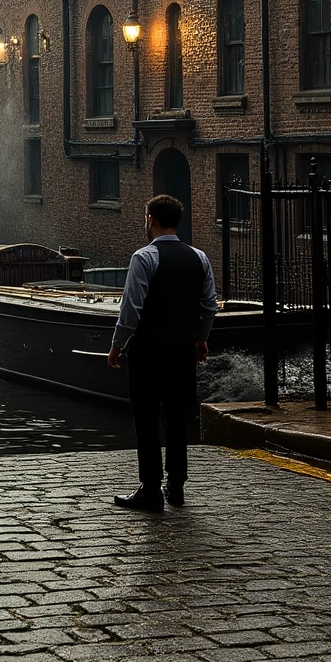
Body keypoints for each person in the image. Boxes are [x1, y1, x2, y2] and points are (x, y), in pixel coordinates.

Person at [107, 193, 218, 511]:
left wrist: (117, 346)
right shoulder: (200, 257)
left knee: (146, 417)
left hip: (148, 351)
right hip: (183, 351)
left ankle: (151, 489)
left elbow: (131, 309)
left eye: (146, 219)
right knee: (177, 416)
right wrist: (200, 340)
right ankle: (177, 486)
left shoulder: (143, 258)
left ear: (151, 220)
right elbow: (209, 307)